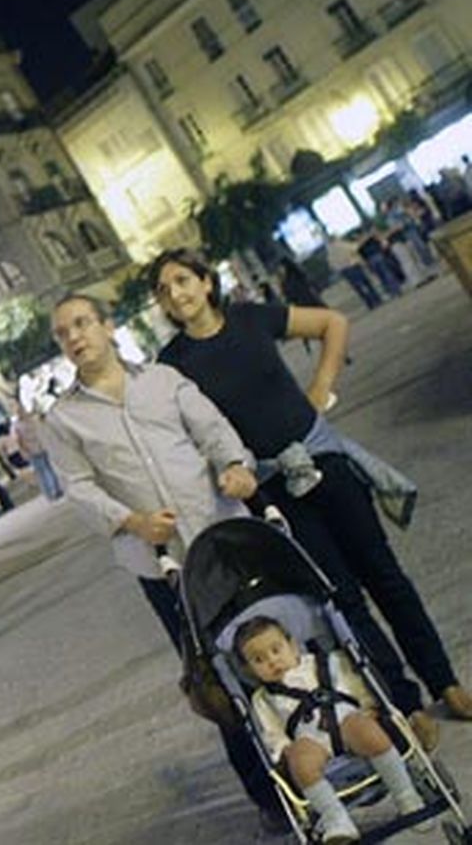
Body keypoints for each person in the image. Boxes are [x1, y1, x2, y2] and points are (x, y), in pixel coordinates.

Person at [150, 248, 471, 742]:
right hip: (272, 491)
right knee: (341, 598)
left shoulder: (252, 318)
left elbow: (332, 323)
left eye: (183, 280)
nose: (177, 293)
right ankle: (404, 702)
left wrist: (321, 387)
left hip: (323, 461)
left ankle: (444, 681)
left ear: (206, 282)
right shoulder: (171, 366)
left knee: (386, 575)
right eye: (165, 289)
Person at [38, 292, 283, 830]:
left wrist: (236, 466)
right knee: (214, 677)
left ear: (107, 326)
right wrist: (132, 521)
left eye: (82, 323)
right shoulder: (63, 420)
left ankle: (312, 755)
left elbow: (214, 430)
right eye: (63, 333)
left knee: (271, 646)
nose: (74, 337)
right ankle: (268, 796)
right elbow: (77, 490)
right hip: (163, 567)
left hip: (225, 540)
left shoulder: (163, 381)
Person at [235, 617, 428, 843]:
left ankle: (406, 795)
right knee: (300, 760)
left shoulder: (327, 662)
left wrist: (368, 706)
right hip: (309, 740)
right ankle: (336, 819)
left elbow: (354, 685)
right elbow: (273, 733)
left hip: (346, 720)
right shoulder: (263, 699)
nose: (272, 661)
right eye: (259, 660)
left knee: (368, 730)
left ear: (293, 645)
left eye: (276, 650)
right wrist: (285, 751)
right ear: (249, 670)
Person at [14, 408, 62, 500]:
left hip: (32, 450)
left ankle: (50, 492)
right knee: (48, 468)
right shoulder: (32, 421)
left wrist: (23, 451)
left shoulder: (17, 426)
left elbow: (18, 440)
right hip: (40, 447)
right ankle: (55, 490)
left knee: (42, 472)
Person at [327, 234, 381, 310]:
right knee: (366, 283)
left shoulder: (330, 251)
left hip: (344, 271)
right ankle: (376, 299)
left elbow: (331, 264)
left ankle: (369, 303)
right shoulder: (341, 244)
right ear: (335, 238)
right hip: (353, 266)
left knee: (358, 288)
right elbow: (354, 248)